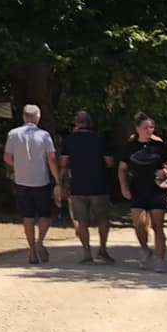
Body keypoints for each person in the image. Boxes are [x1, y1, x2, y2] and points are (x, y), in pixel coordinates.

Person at [3, 103, 61, 265]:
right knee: (45, 215)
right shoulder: (44, 135)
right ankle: (40, 240)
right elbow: (51, 158)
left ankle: (32, 253)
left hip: (21, 181)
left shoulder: (13, 134)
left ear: (23, 117)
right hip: (41, 180)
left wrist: (17, 167)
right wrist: (57, 180)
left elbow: (7, 157)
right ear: (38, 118)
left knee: (27, 217)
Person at [119, 113, 167, 272]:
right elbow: (122, 169)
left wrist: (166, 172)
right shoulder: (130, 147)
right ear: (138, 129)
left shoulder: (159, 146)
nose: (149, 130)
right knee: (138, 224)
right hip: (137, 189)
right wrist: (124, 187)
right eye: (145, 127)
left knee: (158, 226)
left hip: (157, 190)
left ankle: (160, 260)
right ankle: (145, 249)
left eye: (151, 127)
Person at [62, 109, 117, 264]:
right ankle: (103, 249)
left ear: (76, 123)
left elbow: (64, 162)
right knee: (102, 219)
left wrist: (62, 182)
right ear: (90, 123)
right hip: (99, 184)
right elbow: (110, 162)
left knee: (81, 221)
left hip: (78, 185)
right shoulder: (100, 139)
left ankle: (87, 253)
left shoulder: (69, 140)